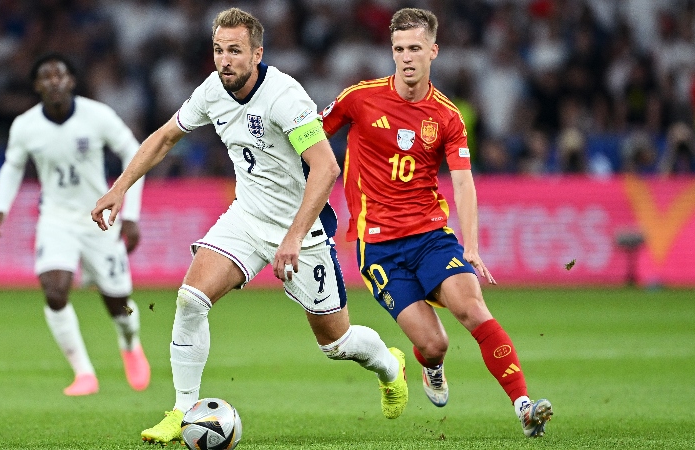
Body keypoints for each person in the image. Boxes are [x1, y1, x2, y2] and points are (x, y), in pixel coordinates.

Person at [91, 8, 408, 446]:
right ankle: (183, 411)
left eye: (235, 51)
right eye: (219, 50)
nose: (225, 60)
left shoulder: (284, 98)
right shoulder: (212, 92)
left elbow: (325, 167)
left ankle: (391, 367)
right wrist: (120, 187)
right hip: (246, 216)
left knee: (336, 341)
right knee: (190, 301)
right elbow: (165, 136)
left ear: (257, 53)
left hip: (303, 229)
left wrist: (294, 238)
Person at [320, 8, 553, 438]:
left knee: (472, 306)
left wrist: (472, 246)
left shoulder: (447, 116)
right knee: (434, 344)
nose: (406, 57)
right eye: (398, 49)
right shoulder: (360, 98)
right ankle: (431, 366)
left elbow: (463, 183)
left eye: (414, 48)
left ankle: (524, 406)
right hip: (379, 248)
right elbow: (312, 139)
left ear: (433, 51)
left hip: (431, 237)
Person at [0, 52, 150, 396]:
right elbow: (13, 166)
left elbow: (133, 152)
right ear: (36, 86)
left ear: (71, 81)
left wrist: (130, 215)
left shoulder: (97, 116)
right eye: (45, 77)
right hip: (56, 219)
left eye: (60, 75)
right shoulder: (26, 125)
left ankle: (130, 343)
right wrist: (1, 207)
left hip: (99, 218)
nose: (53, 81)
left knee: (118, 303)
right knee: (55, 291)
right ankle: (84, 373)